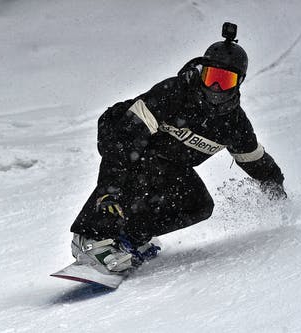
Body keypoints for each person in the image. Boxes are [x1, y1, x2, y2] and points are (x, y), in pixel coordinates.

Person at [70, 22, 286, 273]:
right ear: (201, 72)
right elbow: (126, 139)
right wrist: (109, 190)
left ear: (239, 83)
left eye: (224, 80)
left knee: (199, 204)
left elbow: (255, 160)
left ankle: (130, 238)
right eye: (211, 76)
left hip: (166, 158)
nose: (215, 87)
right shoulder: (173, 94)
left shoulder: (234, 124)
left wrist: (277, 190)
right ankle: (91, 238)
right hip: (122, 132)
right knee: (138, 165)